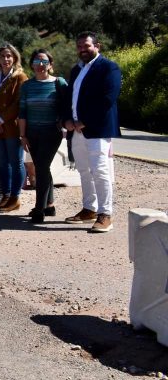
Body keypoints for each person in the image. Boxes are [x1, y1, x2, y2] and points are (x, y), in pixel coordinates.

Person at [63, 32, 121, 233]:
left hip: (97, 129)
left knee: (100, 171)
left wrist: (84, 121)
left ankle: (106, 214)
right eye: (79, 46)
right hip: (76, 131)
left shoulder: (108, 67)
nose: (82, 49)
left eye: (86, 45)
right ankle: (89, 209)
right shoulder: (76, 70)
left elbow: (108, 98)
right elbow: (69, 98)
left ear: (97, 46)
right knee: (84, 171)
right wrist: (67, 120)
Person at [19, 49, 69, 224]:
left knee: (41, 167)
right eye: (37, 61)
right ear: (31, 64)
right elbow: (23, 112)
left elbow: (67, 107)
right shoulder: (27, 86)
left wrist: (64, 123)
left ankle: (39, 209)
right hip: (32, 134)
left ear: (50, 65)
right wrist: (23, 136)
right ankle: (50, 205)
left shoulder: (59, 83)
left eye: (44, 61)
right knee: (43, 167)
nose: (40, 65)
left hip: (51, 133)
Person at [0, 44, 28, 212]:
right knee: (2, 163)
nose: (6, 59)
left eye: (9, 56)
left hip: (12, 128)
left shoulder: (20, 77)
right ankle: (6, 196)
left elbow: (18, 103)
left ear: (15, 58)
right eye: (2, 56)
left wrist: (1, 119)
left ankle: (15, 197)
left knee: (16, 163)